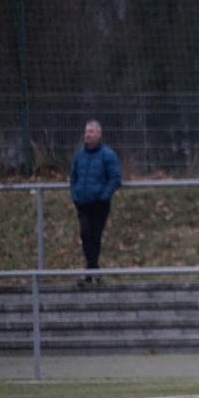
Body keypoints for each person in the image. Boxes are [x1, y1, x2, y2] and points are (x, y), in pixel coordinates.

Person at [69, 120, 121, 286]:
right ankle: (94, 270)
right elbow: (73, 177)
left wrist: (103, 197)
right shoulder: (79, 155)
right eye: (86, 131)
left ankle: (90, 272)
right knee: (85, 234)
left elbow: (115, 178)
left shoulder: (108, 155)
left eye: (91, 131)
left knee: (95, 236)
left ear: (99, 134)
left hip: (99, 204)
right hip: (83, 203)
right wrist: (75, 196)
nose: (88, 135)